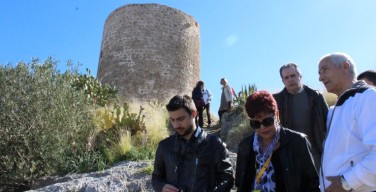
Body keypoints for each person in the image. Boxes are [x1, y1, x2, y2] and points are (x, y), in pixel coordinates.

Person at [235, 91, 319, 191]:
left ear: (277, 115)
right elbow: (240, 183)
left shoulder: (298, 141)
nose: (262, 127)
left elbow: (312, 183)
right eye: (256, 124)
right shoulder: (245, 145)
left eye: (267, 121)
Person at [318, 52, 376, 192]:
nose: (320, 78)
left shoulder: (367, 97)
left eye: (325, 70)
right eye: (319, 73)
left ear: (345, 66)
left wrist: (347, 182)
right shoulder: (333, 110)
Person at [152, 95, 234, 192]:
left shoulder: (215, 145)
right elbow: (156, 177)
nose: (176, 125)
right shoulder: (164, 146)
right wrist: (161, 187)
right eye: (172, 120)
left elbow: (227, 179)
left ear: (194, 114)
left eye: (180, 119)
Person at [273, 63, 328, 170]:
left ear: (300, 76)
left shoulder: (315, 96)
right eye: (286, 77)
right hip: (290, 157)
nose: (290, 80)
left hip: (317, 154)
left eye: (293, 76)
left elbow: (328, 123)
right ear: (283, 81)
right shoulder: (276, 101)